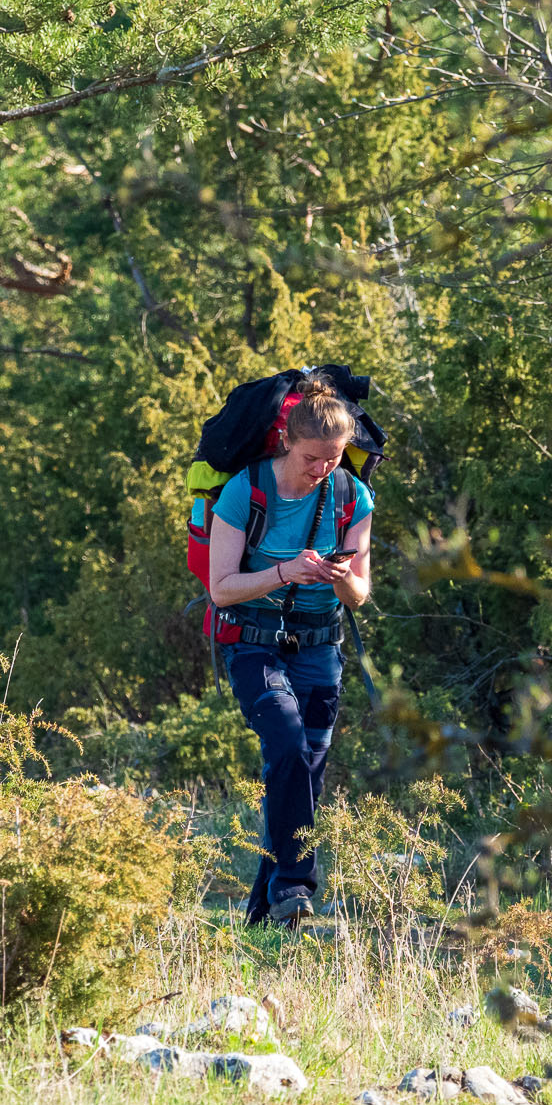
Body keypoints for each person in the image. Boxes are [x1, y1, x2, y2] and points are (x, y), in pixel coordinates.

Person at [206, 375, 375, 926]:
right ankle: (298, 886)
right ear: (287, 443)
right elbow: (221, 587)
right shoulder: (245, 491)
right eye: (312, 458)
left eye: (333, 458)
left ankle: (268, 912)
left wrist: (341, 577)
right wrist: (284, 572)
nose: (323, 469)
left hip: (321, 646)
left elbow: (360, 595)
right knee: (286, 746)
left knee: (301, 774)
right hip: (253, 645)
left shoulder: (353, 495)